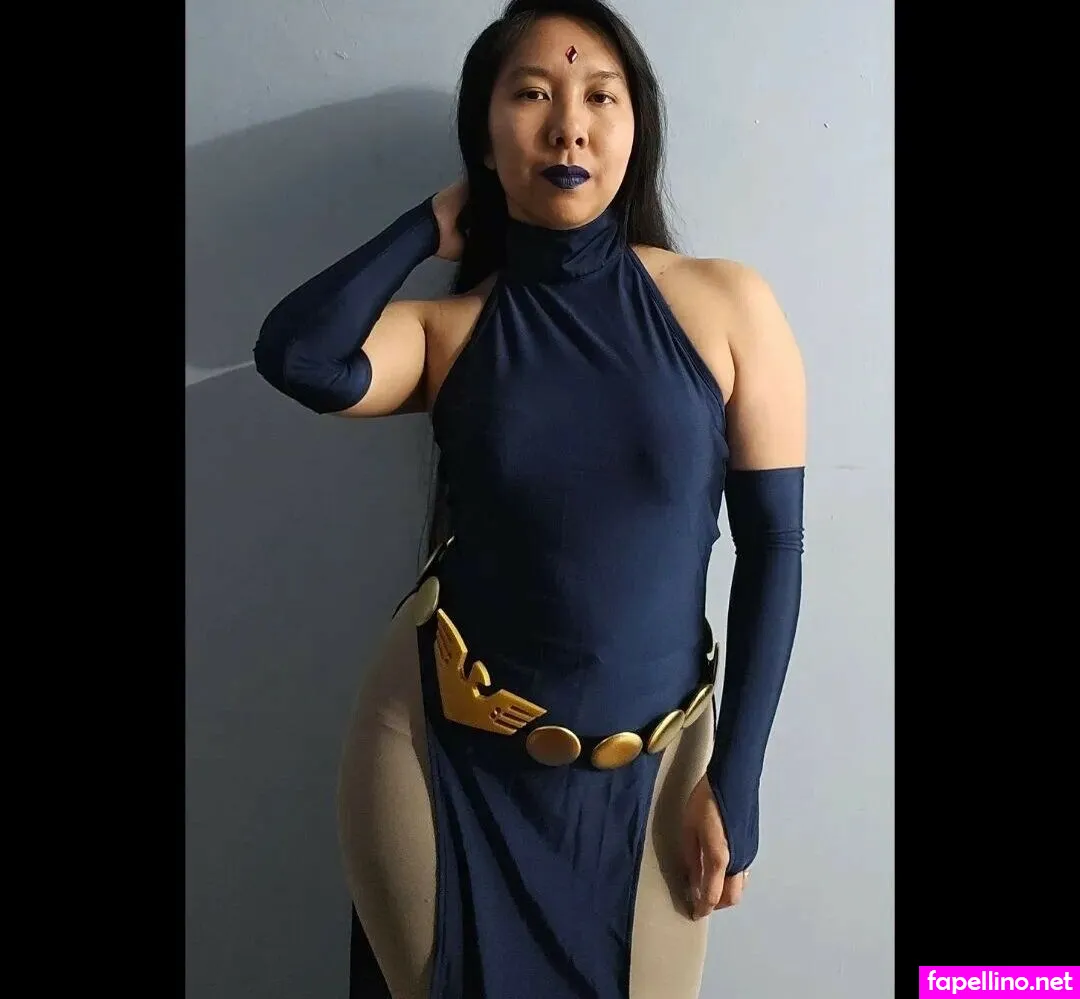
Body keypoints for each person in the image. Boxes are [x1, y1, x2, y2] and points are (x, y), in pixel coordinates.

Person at [253, 0, 805, 996]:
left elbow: (774, 547)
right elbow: (299, 358)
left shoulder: (727, 305)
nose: (569, 127)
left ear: (637, 126)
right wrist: (427, 226)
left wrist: (740, 777)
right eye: (533, 95)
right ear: (486, 134)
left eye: (600, 96)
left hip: (656, 772)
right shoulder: (449, 332)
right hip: (438, 752)